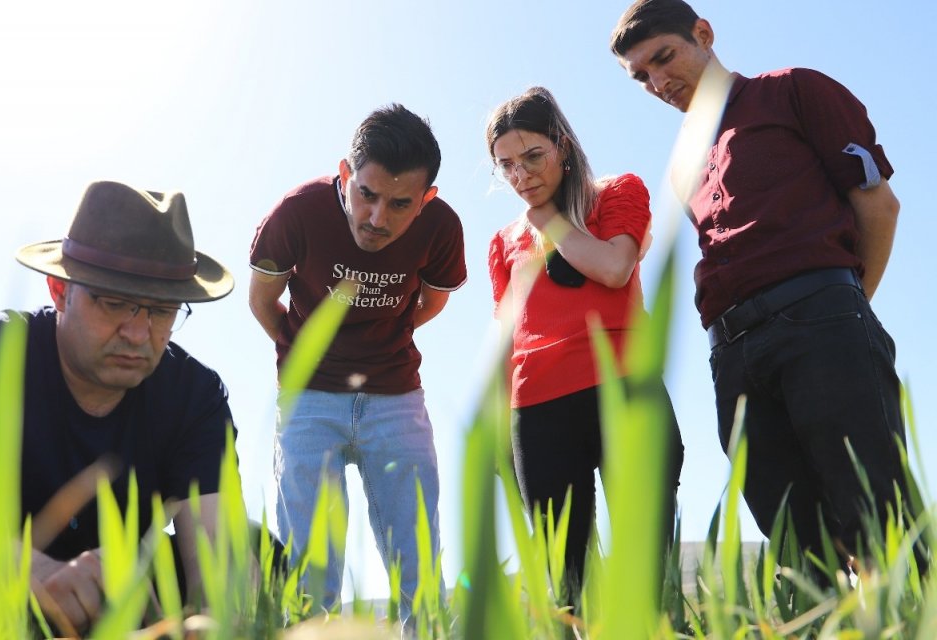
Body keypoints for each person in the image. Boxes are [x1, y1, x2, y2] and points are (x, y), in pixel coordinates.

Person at [611, 0, 915, 571]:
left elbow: (878, 205)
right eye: (640, 75)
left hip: (820, 319)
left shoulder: (794, 91)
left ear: (704, 33)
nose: (657, 82)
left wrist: (843, 310)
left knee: (876, 517)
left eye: (664, 57)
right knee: (796, 542)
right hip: (732, 355)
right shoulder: (682, 163)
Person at [0, 180, 236, 634]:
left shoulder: (193, 395)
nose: (139, 334)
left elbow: (219, 546)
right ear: (59, 291)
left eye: (161, 312)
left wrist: (217, 622)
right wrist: (36, 578)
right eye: (115, 303)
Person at [249, 103, 466, 619]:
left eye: (399, 204)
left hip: (396, 398)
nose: (377, 218)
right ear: (345, 174)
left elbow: (432, 302)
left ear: (426, 199)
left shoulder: (441, 228)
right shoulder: (297, 212)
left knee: (417, 562)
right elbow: (262, 300)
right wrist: (304, 352)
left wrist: (384, 340)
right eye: (366, 194)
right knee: (309, 565)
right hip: (309, 401)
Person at [485, 86, 684, 603]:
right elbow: (507, 339)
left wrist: (547, 220)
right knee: (567, 583)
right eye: (506, 165)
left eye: (533, 158)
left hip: (624, 390)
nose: (520, 177)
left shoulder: (617, 192)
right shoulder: (502, 243)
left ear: (563, 148)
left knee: (648, 571)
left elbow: (616, 268)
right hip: (538, 411)